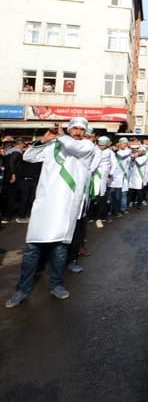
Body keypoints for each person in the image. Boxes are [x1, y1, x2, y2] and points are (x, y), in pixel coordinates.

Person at [5, 118, 95, 307]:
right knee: (32, 248)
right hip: (45, 204)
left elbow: (74, 147)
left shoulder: (87, 146)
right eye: (74, 128)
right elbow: (28, 156)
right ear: (70, 129)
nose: (77, 132)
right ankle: (22, 289)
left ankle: (57, 285)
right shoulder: (54, 145)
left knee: (60, 249)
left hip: (66, 205)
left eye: (81, 129)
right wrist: (44, 141)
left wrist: (60, 135)